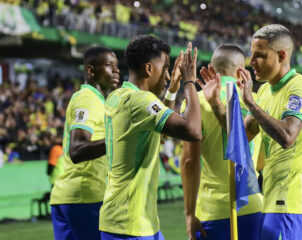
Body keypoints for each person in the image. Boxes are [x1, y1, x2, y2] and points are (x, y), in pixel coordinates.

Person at [198, 24, 302, 240]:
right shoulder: (264, 91)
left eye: (260, 56)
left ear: (282, 55)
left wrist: (251, 104)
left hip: (294, 201)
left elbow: (287, 136)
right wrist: (215, 103)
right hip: (273, 201)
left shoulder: (300, 86)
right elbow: (241, 137)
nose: (251, 61)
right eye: (251, 54)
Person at [99, 37, 202, 240]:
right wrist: (190, 81)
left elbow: (162, 132)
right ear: (148, 68)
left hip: (132, 221)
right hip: (129, 224)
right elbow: (193, 130)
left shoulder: (117, 96)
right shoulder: (140, 100)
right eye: (165, 68)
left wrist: (172, 89)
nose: (167, 75)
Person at [180, 44, 263, 240]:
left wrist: (190, 214)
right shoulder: (256, 101)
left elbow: (189, 161)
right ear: (241, 71)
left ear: (211, 68)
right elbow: (261, 161)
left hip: (214, 210)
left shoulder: (196, 102)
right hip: (253, 205)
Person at [50, 46, 120, 240]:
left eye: (117, 66)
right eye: (109, 65)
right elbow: (78, 148)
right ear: (91, 70)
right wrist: (119, 139)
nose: (116, 70)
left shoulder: (96, 100)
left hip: (68, 197)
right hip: (85, 196)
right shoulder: (87, 99)